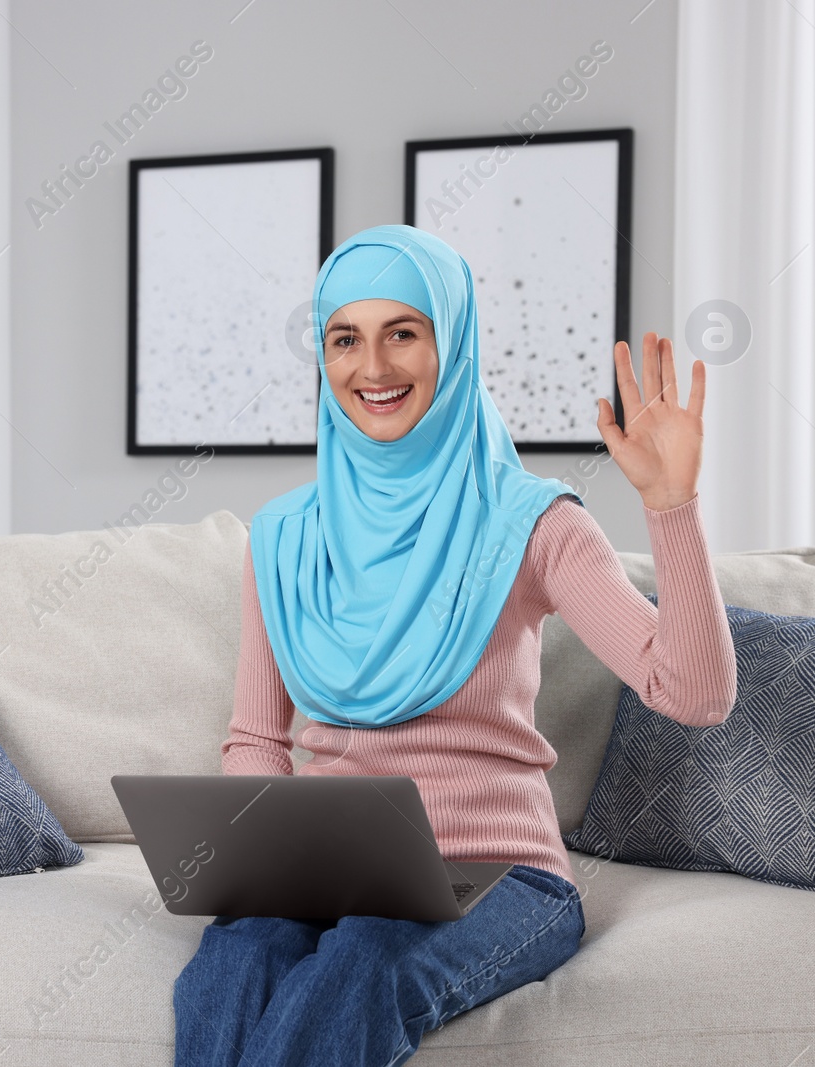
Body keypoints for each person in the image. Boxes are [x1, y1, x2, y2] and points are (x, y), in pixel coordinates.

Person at [172, 225, 738, 1066]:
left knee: (366, 957)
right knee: (232, 959)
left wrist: (671, 507)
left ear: (453, 341)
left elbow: (694, 692)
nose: (373, 368)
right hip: (327, 867)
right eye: (344, 338)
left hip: (505, 875)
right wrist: (264, 865)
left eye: (404, 332)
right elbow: (257, 740)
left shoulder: (535, 523)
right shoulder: (284, 536)